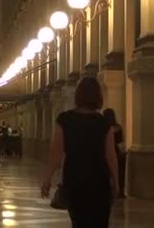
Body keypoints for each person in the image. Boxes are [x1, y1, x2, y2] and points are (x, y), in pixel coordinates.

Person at [41, 77, 119, 228]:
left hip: (74, 179)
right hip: (99, 181)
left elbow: (56, 153)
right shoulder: (103, 122)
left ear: (78, 95)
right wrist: (116, 180)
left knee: (79, 222)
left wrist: (47, 178)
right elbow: (111, 155)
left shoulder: (65, 119)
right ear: (98, 96)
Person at [104, 108, 126, 198]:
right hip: (116, 150)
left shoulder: (103, 127)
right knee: (117, 171)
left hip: (104, 151)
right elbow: (120, 141)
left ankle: (106, 189)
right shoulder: (118, 127)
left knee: (106, 172)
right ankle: (118, 189)